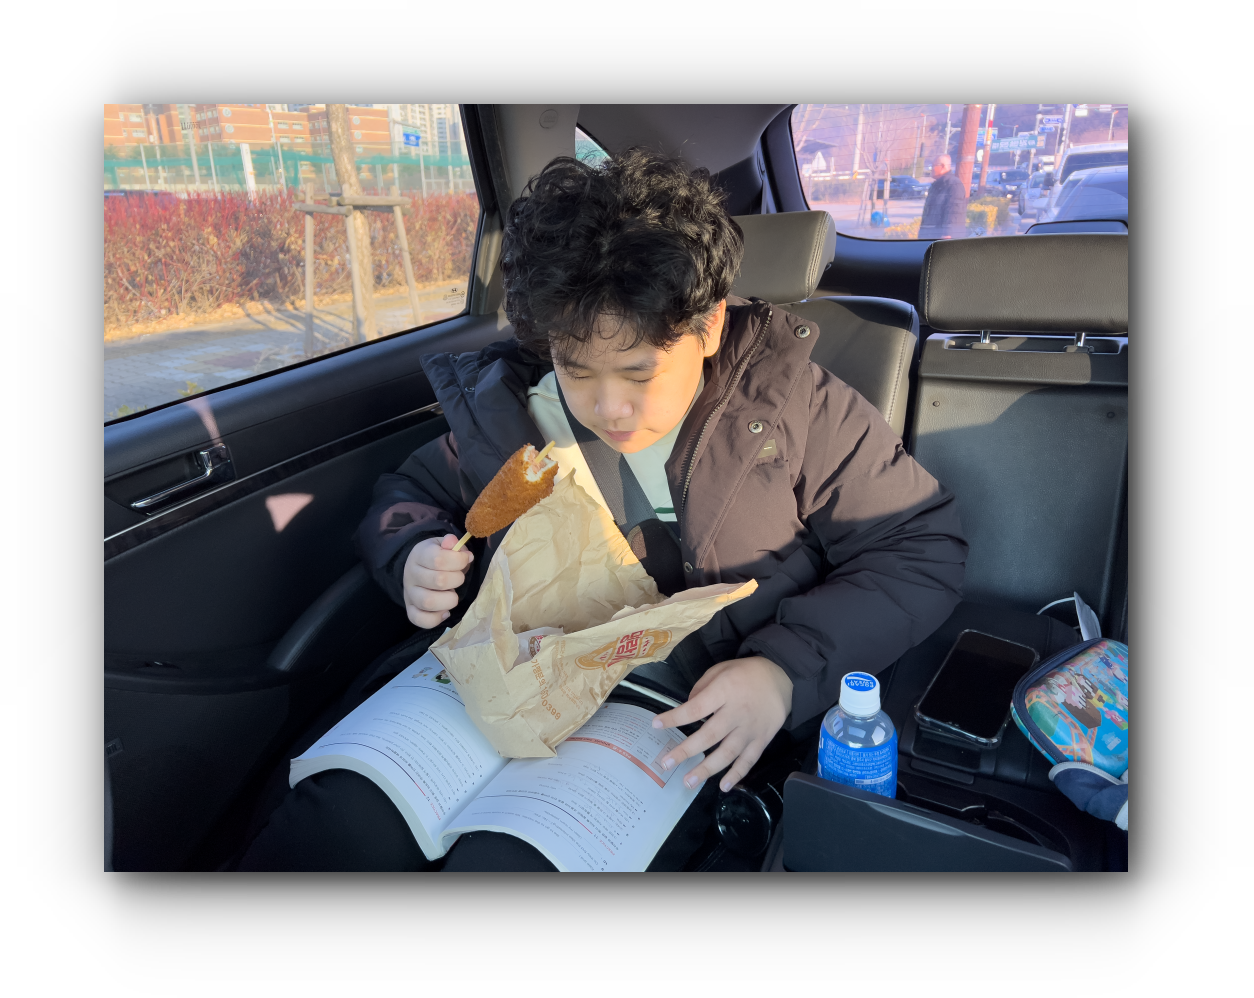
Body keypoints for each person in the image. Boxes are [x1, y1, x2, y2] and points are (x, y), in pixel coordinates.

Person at [236, 149, 967, 871]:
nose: (608, 407)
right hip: (518, 668)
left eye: (639, 373)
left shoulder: (792, 408)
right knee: (337, 825)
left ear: (710, 326)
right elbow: (412, 492)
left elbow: (920, 545)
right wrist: (413, 554)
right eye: (576, 368)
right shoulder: (515, 413)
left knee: (506, 861)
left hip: (684, 699)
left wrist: (782, 672)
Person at [919, 154, 968, 239]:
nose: (931, 169)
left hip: (943, 238)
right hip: (929, 236)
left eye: (933, 166)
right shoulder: (936, 186)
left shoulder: (954, 184)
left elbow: (954, 211)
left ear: (942, 166)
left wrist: (948, 234)